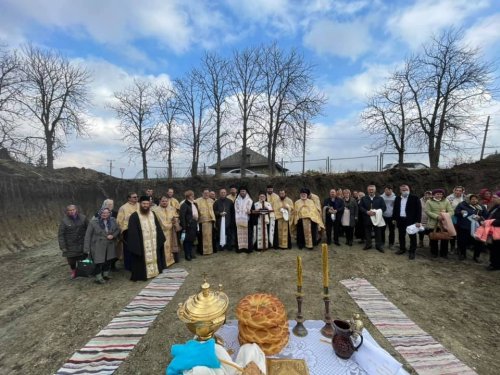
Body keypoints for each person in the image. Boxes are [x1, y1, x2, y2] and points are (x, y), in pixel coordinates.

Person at [127, 196, 166, 281]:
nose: (145, 205)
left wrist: (160, 238)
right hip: (142, 244)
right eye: (144, 203)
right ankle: (144, 275)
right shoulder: (134, 216)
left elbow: (158, 227)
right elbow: (133, 233)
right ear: (140, 204)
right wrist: (136, 246)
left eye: (147, 204)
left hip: (153, 242)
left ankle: (155, 271)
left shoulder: (153, 214)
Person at [84, 208, 120, 284]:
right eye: (103, 213)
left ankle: (105, 275)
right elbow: (88, 235)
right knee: (99, 262)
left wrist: (113, 235)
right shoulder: (93, 222)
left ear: (109, 213)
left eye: (107, 213)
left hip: (110, 244)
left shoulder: (113, 220)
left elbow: (118, 230)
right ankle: (98, 278)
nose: (105, 214)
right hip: (97, 245)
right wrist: (86, 248)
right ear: (100, 213)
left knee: (108, 260)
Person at [58, 205, 89, 279]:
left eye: (73, 209)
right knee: (72, 261)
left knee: (84, 258)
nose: (72, 211)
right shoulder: (64, 221)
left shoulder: (83, 218)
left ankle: (84, 271)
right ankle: (74, 271)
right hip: (70, 245)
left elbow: (89, 229)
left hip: (82, 242)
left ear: (76, 210)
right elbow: (61, 235)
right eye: (70, 210)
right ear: (67, 212)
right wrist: (63, 246)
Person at [392, 184, 422, 260]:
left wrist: (418, 221)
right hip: (400, 220)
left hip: (411, 220)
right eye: (403, 190)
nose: (405, 191)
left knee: (412, 236)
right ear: (400, 191)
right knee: (401, 235)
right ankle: (402, 249)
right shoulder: (397, 198)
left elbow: (419, 210)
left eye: (406, 189)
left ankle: (412, 251)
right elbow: (395, 209)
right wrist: (394, 218)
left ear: (409, 189)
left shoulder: (414, 198)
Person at [455, 194, 487, 261]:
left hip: (477, 228)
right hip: (464, 227)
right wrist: (461, 212)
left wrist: (480, 218)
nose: (474, 200)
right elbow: (456, 213)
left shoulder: (481, 207)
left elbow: (486, 216)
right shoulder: (462, 205)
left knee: (478, 242)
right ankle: (462, 254)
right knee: (462, 241)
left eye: (476, 199)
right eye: (472, 199)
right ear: (468, 199)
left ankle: (476, 256)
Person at [153, 195, 181, 267]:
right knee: (164, 246)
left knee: (172, 245)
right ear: (160, 201)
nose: (164, 202)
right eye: (163, 201)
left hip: (171, 231)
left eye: (166, 201)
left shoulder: (172, 208)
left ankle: (171, 260)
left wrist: (175, 220)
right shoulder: (155, 210)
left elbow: (176, 216)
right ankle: (164, 262)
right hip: (161, 232)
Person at [425, 189, 454, 258]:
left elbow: (451, 211)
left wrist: (445, 216)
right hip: (433, 222)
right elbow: (427, 211)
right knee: (434, 238)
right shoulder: (429, 201)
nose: (439, 195)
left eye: (441, 194)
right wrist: (437, 217)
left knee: (445, 238)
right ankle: (434, 253)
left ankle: (444, 253)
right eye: (437, 194)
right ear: (434, 195)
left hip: (444, 222)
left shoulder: (446, 201)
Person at [358, 185, 387, 252]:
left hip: (377, 218)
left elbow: (384, 208)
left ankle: (378, 246)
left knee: (378, 232)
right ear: (367, 190)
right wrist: (366, 212)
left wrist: (377, 212)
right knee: (367, 232)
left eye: (372, 189)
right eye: (370, 189)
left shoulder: (380, 198)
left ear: (375, 190)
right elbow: (360, 207)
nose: (371, 191)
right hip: (367, 218)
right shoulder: (364, 198)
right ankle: (368, 244)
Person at [117, 192, 139, 271]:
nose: (136, 198)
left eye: (137, 197)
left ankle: (138, 264)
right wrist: (122, 231)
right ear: (129, 198)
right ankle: (129, 265)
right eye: (134, 197)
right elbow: (119, 221)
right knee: (129, 248)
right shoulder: (123, 208)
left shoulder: (140, 205)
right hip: (128, 230)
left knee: (138, 247)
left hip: (139, 229)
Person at [179, 190, 199, 261]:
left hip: (193, 225)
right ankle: (187, 255)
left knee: (191, 240)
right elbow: (182, 217)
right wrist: (184, 227)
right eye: (192, 195)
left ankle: (191, 253)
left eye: (193, 195)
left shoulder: (193, 204)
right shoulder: (184, 205)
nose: (193, 196)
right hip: (188, 226)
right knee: (186, 241)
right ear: (188, 196)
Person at [195, 189, 216, 255]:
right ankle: (202, 251)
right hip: (202, 222)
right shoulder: (197, 201)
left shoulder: (212, 200)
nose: (206, 194)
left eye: (207, 193)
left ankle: (211, 250)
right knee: (202, 237)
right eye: (205, 193)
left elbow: (214, 210)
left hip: (210, 221)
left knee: (211, 236)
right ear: (202, 193)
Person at [234, 186, 253, 253]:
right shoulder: (236, 200)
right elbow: (235, 210)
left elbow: (253, 210)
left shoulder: (250, 201)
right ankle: (240, 249)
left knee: (248, 235)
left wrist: (250, 212)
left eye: (244, 191)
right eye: (241, 191)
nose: (242, 192)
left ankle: (248, 249)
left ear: (246, 192)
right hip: (238, 220)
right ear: (239, 192)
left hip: (247, 221)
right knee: (239, 235)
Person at [446, 186, 465, 253]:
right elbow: (446, 207)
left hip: (462, 217)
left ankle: (459, 248)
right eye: (457, 190)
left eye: (460, 191)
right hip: (452, 216)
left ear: (462, 191)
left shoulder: (465, 198)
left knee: (460, 233)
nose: (458, 192)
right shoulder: (449, 198)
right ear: (454, 190)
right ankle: (452, 247)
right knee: (453, 232)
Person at [485, 192, 500, 271]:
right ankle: (493, 263)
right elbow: (488, 215)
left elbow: (498, 221)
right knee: (491, 247)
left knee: (496, 248)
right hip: (491, 230)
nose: (493, 199)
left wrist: (490, 222)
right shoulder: (495, 207)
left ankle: (495, 265)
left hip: (497, 231)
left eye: (495, 197)